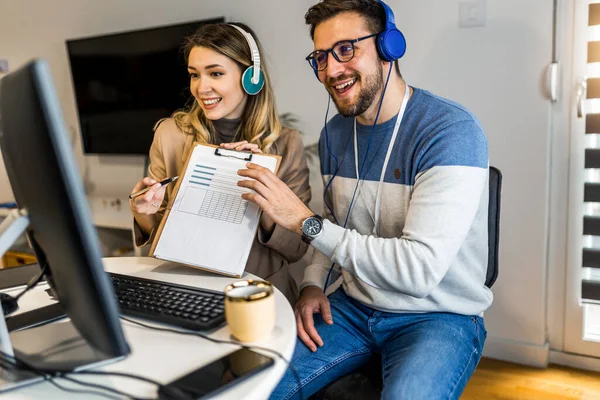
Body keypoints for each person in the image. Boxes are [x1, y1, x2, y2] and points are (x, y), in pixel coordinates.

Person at [236, 1, 493, 399]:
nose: (331, 70)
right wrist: (311, 284)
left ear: (389, 47)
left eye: (346, 49)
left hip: (437, 316)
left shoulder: (449, 132)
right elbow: (334, 224)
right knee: (255, 390)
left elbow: (418, 272)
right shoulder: (335, 136)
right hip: (353, 307)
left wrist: (304, 222)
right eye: (320, 56)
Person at [129, 22, 311, 303]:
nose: (201, 88)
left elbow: (298, 248)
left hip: (260, 294)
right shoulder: (170, 135)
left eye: (215, 73)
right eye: (194, 75)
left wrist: (263, 192)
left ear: (250, 76)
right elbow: (155, 234)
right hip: (186, 290)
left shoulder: (287, 144)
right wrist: (143, 210)